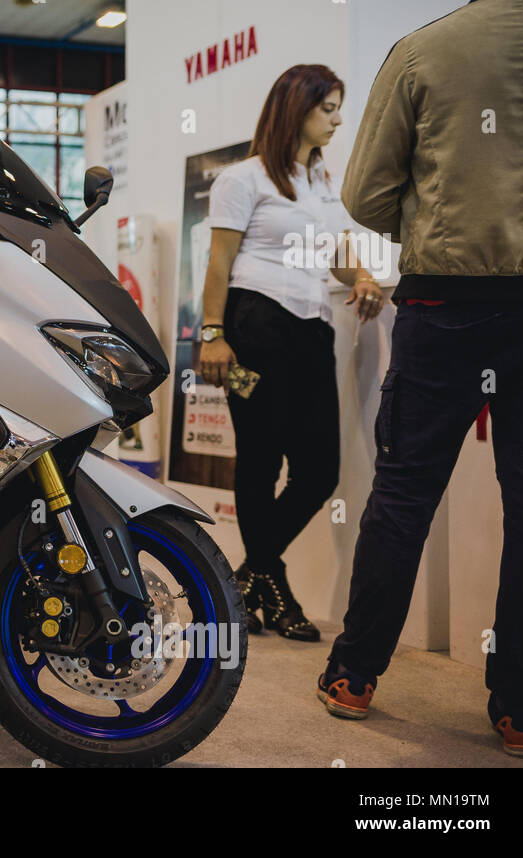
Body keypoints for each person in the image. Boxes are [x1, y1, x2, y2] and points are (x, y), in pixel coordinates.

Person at [319, 0, 523, 758]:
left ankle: (354, 674)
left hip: (449, 301)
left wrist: (436, 217)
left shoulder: (423, 50)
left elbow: (364, 197)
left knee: (405, 492)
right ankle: (522, 708)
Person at [197, 64, 382, 641]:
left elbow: (337, 254)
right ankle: (271, 586)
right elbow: (220, 264)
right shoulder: (243, 178)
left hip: (311, 329)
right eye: (327, 108)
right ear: (294, 109)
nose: (337, 119)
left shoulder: (323, 181)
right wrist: (211, 332)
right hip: (254, 326)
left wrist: (367, 278)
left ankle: (246, 578)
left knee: (318, 470)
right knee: (259, 460)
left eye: (336, 108)